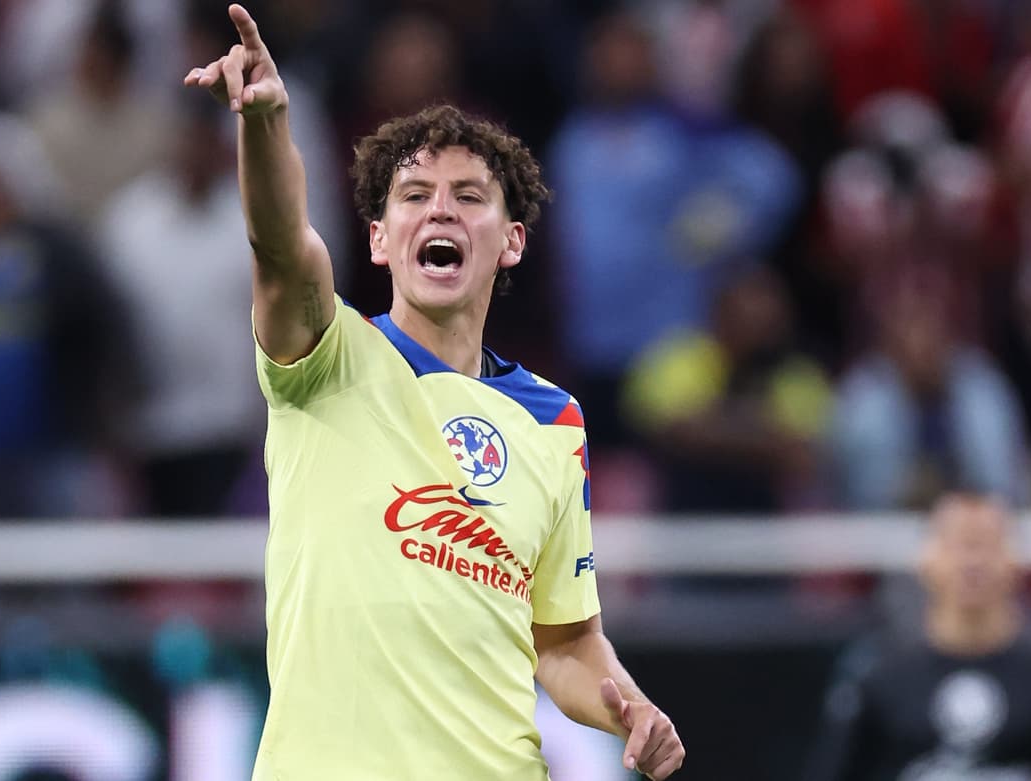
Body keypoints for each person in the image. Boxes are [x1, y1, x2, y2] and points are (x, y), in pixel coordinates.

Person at [184, 6, 685, 780]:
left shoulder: (554, 419)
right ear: (380, 239)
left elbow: (566, 643)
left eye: (468, 194)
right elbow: (282, 248)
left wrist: (632, 706)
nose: (440, 207)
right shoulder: (329, 357)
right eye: (413, 194)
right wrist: (267, 126)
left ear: (511, 239)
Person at [805, 493, 1031, 781]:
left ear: (1016, 561)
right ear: (925, 559)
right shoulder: (875, 669)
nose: (972, 562)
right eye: (958, 545)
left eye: (987, 545)